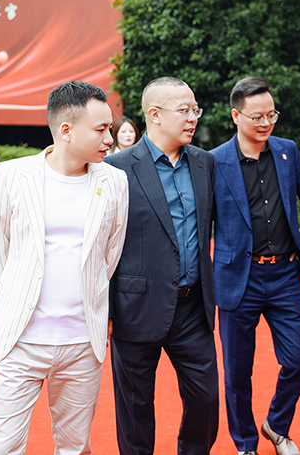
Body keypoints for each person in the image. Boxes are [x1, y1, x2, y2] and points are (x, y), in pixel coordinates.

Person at [0, 81, 129, 454]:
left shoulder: (114, 181)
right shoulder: (11, 175)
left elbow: (110, 253)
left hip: (82, 342)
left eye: (109, 128)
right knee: (0, 446)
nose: (109, 138)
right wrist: (22, 292)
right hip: (20, 339)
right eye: (100, 129)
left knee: (75, 446)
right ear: (66, 130)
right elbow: (0, 252)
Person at [105, 77, 220, 455]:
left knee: (206, 399)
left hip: (192, 307)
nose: (193, 118)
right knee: (135, 408)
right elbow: (102, 243)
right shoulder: (117, 168)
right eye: (184, 110)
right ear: (154, 115)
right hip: (136, 306)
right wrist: (105, 308)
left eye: (195, 109)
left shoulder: (204, 163)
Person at [211, 77, 300, 455]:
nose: (265, 123)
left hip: (284, 276)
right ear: (235, 116)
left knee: (299, 359)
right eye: (256, 116)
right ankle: (245, 443)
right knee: (237, 372)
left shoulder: (287, 151)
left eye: (271, 115)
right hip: (237, 279)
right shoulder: (214, 161)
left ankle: (276, 425)